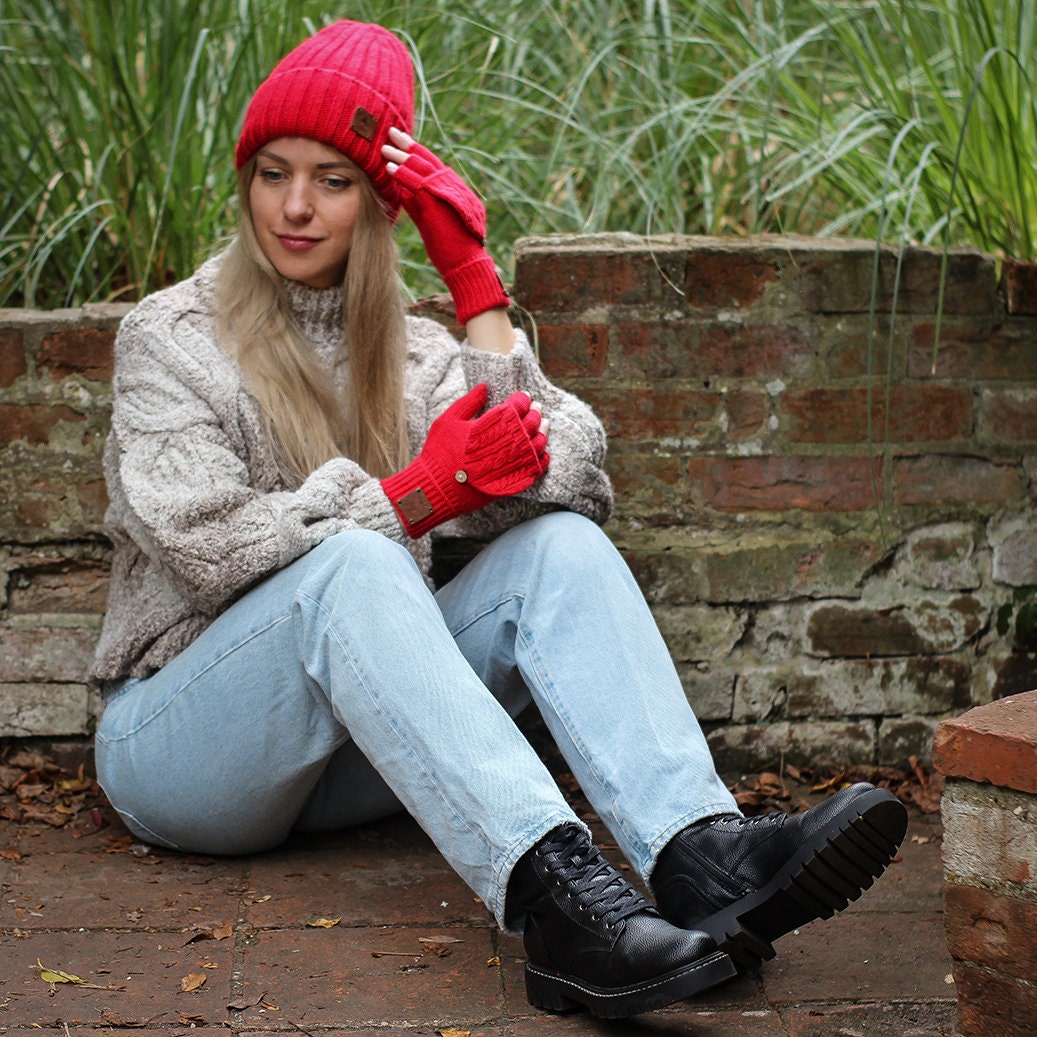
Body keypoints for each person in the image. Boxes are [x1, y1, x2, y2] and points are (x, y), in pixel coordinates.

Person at [91, 19, 909, 1020]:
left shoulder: (420, 350)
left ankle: (698, 852)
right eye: (271, 172)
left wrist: (476, 286)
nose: (294, 206)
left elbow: (567, 473)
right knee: (355, 562)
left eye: (334, 180)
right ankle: (561, 907)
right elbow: (206, 546)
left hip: (352, 759)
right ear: (245, 178)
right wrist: (421, 494)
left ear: (382, 203)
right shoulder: (170, 337)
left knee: (555, 546)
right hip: (185, 750)